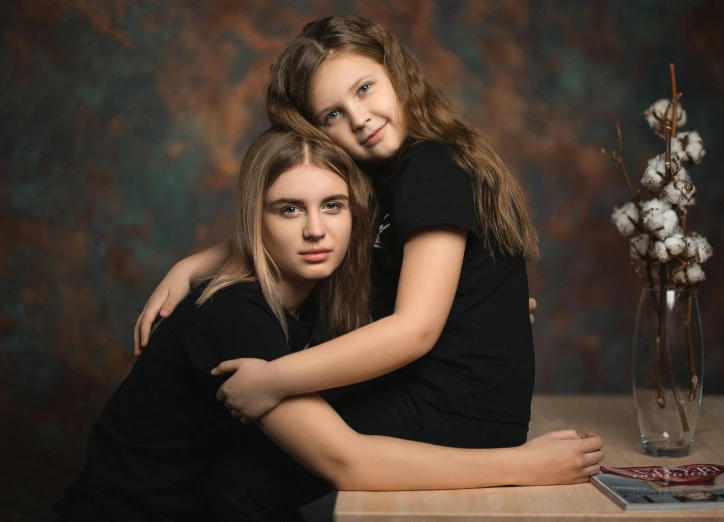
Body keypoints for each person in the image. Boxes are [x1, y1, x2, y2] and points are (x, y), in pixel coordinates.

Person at [56, 128, 603, 522]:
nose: (316, 230)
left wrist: (493, 316)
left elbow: (433, 309)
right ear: (257, 218)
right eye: (289, 209)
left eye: (333, 205)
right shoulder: (234, 315)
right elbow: (348, 460)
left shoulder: (325, 296)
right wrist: (525, 465)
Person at [137, 11, 582, 475]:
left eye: (364, 88)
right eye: (333, 115)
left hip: (462, 411)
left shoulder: (432, 168)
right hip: (431, 389)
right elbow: (284, 223)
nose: (360, 119)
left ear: (395, 72)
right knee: (254, 449)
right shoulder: (381, 179)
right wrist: (191, 267)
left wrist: (274, 379)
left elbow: (416, 329)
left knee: (255, 468)